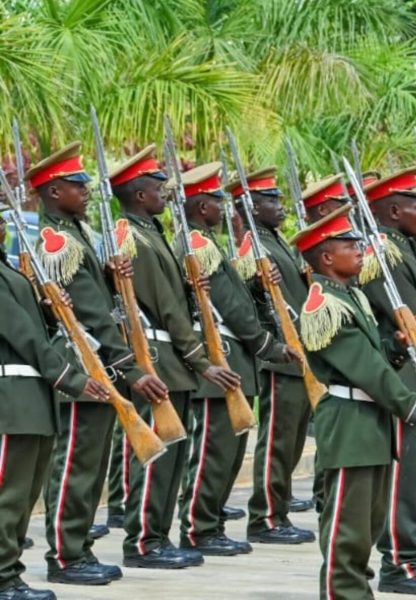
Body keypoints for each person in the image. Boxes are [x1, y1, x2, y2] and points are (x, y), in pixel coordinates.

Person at [294, 206, 416, 599]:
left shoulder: (352, 298)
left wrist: (397, 347)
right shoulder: (324, 304)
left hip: (370, 420)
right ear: (327, 257)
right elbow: (367, 371)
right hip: (350, 423)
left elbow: (375, 357)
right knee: (348, 527)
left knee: (368, 522)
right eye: (349, 244)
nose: (360, 249)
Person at [31, 143, 166, 585]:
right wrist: (129, 366)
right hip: (82, 360)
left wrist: (113, 277)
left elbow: (100, 299)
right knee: (75, 464)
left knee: (89, 466)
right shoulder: (59, 240)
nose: (86, 191)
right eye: (76, 184)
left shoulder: (77, 233)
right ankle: (66, 556)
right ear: (53, 192)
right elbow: (89, 313)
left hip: (97, 364)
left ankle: (78, 549)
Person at [115, 145, 243, 569]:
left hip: (171, 357)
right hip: (158, 354)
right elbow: (165, 306)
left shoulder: (152, 234)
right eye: (157, 187)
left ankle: (159, 536)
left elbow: (177, 299)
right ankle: (143, 543)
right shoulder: (132, 236)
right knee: (156, 458)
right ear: (138, 195)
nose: (167, 194)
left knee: (172, 456)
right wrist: (200, 358)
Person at [177, 162, 292, 557]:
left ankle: (210, 523)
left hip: (231, 355)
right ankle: (198, 526)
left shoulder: (207, 242)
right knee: (213, 448)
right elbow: (228, 303)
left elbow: (236, 296)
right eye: (215, 201)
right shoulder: (198, 244)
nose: (223, 210)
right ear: (201, 205)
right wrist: (264, 343)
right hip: (219, 354)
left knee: (228, 449)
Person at [1, 212, 111, 600]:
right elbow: (22, 334)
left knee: (24, 495)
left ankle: (9, 576)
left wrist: (49, 308)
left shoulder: (7, 269)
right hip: (11, 395)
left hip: (31, 396)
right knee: (8, 496)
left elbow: (35, 327)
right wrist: (71, 378)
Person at [244, 168, 317, 545]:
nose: (280, 206)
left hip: (296, 354)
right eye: (270, 200)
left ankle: (279, 508)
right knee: (276, 441)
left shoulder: (276, 241)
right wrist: (257, 287)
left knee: (292, 440)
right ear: (252, 207)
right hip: (278, 356)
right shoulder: (251, 246)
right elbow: (250, 303)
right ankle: (266, 517)